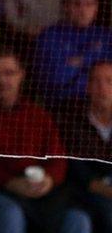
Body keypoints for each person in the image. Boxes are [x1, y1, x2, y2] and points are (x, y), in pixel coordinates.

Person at [0, 49, 92, 233]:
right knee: (11, 214)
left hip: (38, 188)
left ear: (21, 75)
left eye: (9, 73)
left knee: (79, 219)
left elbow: (58, 158)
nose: (2, 80)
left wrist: (49, 180)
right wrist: (9, 182)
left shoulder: (38, 115)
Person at [33, 0, 112, 107]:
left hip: (102, 102)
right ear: (66, 6)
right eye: (77, 4)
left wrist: (76, 62)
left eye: (89, 4)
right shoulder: (49, 36)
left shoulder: (106, 36)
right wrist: (90, 55)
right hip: (64, 104)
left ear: (96, 8)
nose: (83, 11)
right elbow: (57, 78)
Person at [57, 61, 112, 233]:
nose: (102, 88)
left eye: (109, 81)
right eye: (96, 81)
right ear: (87, 87)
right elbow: (77, 171)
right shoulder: (72, 121)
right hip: (80, 195)